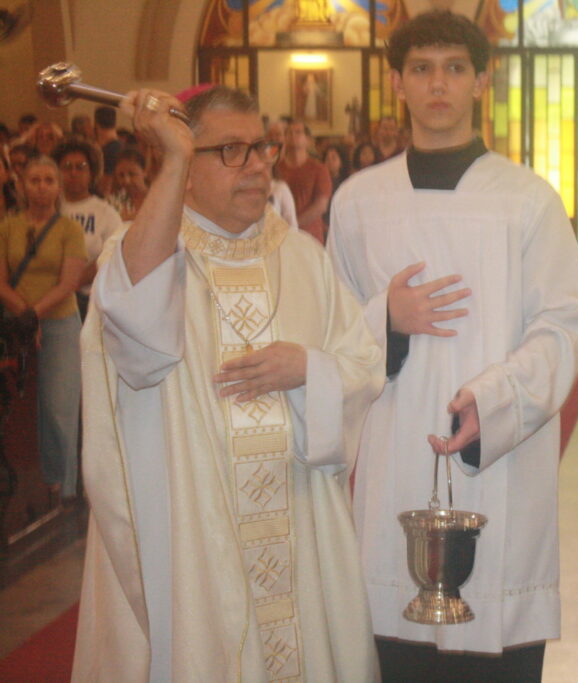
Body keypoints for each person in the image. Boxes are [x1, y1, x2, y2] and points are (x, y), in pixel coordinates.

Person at [72, 86, 383, 682]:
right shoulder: (143, 255)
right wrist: (172, 155)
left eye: (260, 147)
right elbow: (139, 344)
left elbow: (363, 369)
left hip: (297, 530)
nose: (259, 164)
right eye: (231, 150)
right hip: (193, 531)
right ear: (186, 167)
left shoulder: (304, 259)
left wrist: (309, 370)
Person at [328, 11, 578, 681]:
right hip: (393, 451)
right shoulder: (359, 202)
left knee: (492, 650)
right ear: (397, 82)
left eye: (453, 69)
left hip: (496, 461)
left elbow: (565, 323)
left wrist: (494, 397)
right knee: (397, 655)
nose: (437, 84)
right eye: (421, 69)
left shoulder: (528, 200)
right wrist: (384, 318)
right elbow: (328, 333)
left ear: (483, 80)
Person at [0, 156, 86, 502]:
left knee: (59, 405)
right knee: (19, 406)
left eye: (49, 180)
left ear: (58, 187)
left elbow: (70, 282)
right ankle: (27, 478)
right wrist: (25, 315)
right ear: (22, 185)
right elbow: (2, 281)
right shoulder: (8, 226)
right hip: (16, 323)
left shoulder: (69, 229)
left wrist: (35, 314)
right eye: (34, 179)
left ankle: (63, 483)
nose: (41, 186)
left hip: (60, 320)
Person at [52, 139, 124, 315]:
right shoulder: (49, 208)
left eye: (81, 167)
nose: (73, 172)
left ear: (92, 173)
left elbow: (113, 256)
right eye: (67, 167)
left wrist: (71, 283)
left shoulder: (105, 213)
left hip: (88, 299)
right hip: (46, 295)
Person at [277, 120, 332, 243]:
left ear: (307, 140)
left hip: (310, 236)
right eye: (289, 133)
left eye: (298, 132)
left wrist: (293, 224)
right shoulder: (276, 169)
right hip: (281, 237)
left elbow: (321, 205)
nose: (293, 136)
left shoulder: (319, 169)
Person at [108, 147, 149, 222]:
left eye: (132, 174)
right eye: (121, 175)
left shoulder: (158, 198)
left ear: (144, 171)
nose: (126, 181)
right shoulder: (112, 203)